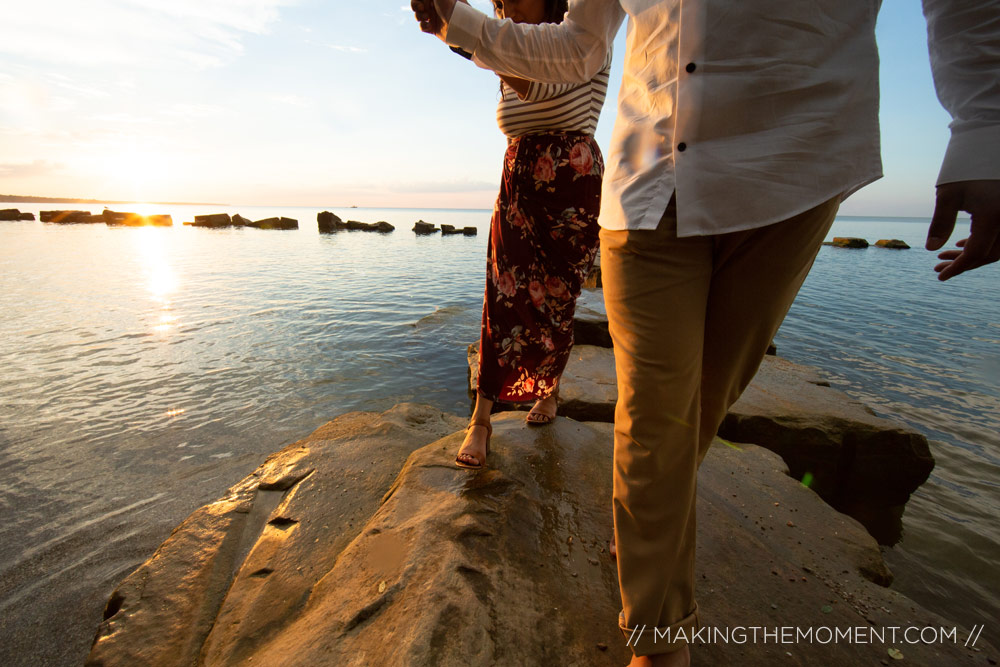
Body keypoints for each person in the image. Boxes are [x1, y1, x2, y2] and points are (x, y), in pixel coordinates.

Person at [412, 0, 1000, 664]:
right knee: (656, 407)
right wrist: (455, 23)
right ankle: (659, 642)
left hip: (796, 164)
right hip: (646, 176)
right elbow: (581, 44)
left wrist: (984, 125)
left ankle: (650, 518)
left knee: (709, 394)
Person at [454, 0, 612, 470]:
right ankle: (482, 417)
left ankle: (550, 390)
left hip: (571, 180)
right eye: (496, 3)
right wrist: (478, 42)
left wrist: (466, 37)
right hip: (519, 180)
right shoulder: (510, 49)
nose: (503, 8)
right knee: (502, 294)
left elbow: (544, 90)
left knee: (559, 299)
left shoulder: (582, 37)